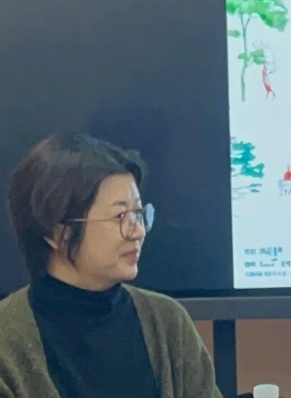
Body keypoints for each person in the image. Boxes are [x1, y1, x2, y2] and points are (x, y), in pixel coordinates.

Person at [0, 132, 223, 398]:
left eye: (138, 214)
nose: (138, 231)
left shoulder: (167, 322)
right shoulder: (7, 341)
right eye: (120, 216)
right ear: (57, 233)